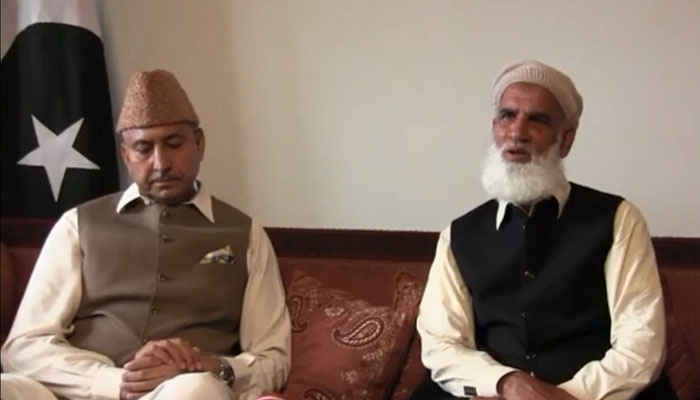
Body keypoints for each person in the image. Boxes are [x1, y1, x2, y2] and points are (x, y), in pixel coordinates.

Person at [0, 70, 291, 400]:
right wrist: (115, 382)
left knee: (196, 390)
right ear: (126, 156)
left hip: (184, 390)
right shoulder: (77, 225)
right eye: (143, 149)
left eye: (174, 144)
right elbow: (24, 346)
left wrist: (215, 367)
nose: (161, 163)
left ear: (199, 143)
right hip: (81, 389)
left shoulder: (245, 234)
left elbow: (274, 357)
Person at [410, 61, 675, 400]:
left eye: (538, 119)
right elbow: (441, 344)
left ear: (566, 140)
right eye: (508, 116)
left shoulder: (619, 219)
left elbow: (640, 345)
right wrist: (507, 383)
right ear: (494, 128)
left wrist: (562, 397)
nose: (517, 132)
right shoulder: (458, 235)